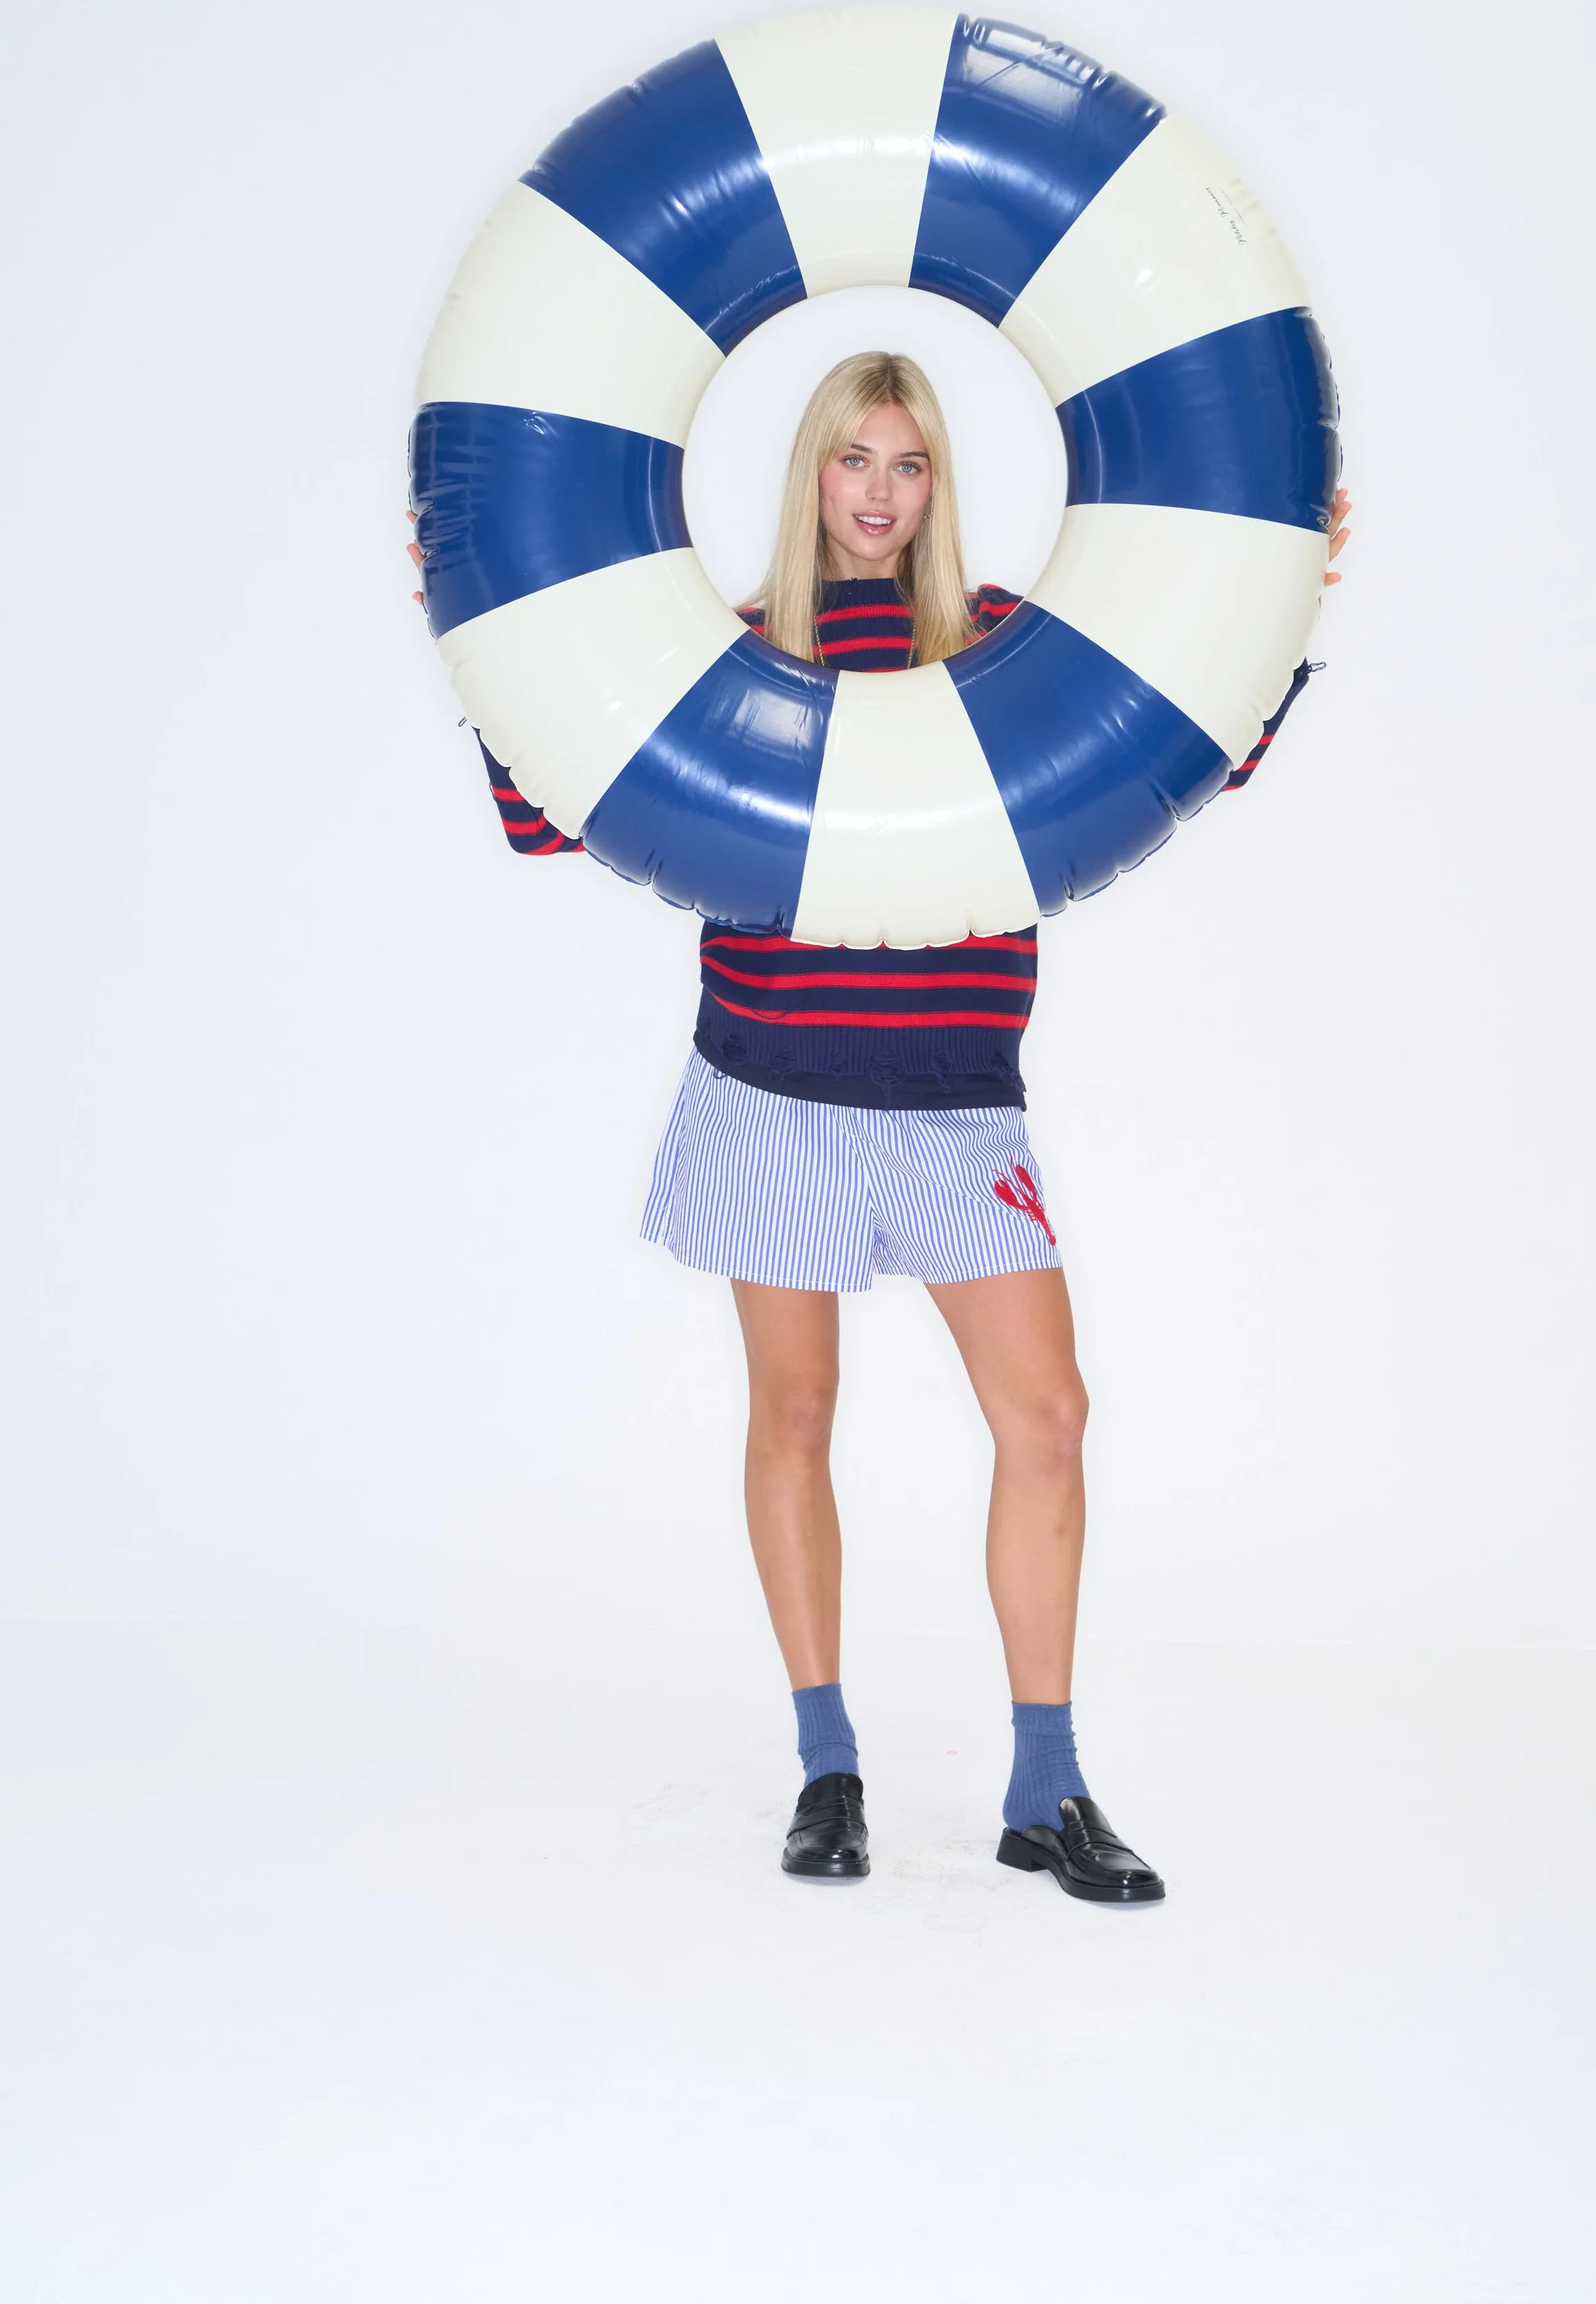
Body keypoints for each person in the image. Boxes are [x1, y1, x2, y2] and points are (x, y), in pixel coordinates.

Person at [414, 351, 1350, 1904]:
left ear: (935, 485)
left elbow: (1196, 745)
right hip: (771, 1088)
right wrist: (489, 625)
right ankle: (826, 1768)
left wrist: (1280, 590)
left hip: (954, 1098)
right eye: (854, 459)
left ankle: (1046, 1789)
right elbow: (542, 813)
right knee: (794, 1415)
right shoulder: (727, 654)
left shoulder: (1005, 650)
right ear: (813, 473)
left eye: (908, 465)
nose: (879, 492)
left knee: (1046, 1419)